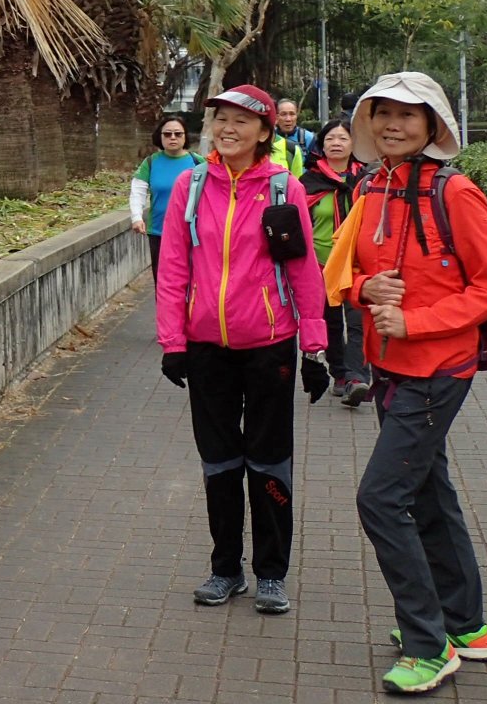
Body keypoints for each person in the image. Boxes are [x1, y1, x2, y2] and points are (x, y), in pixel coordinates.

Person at [324, 72, 487, 693]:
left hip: (437, 370)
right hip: (389, 367)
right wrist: (365, 289)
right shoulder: (372, 186)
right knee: (427, 492)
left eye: (408, 113)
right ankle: (467, 627)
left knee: (380, 499)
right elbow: (345, 271)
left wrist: (416, 321)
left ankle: (428, 644)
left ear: (432, 124)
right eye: (382, 113)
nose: (393, 124)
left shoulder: (456, 192)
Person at [156, 85, 328, 616]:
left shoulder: (282, 188)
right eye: (221, 119)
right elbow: (173, 267)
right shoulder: (191, 185)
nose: (227, 129)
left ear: (264, 131)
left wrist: (314, 346)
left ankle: (271, 573)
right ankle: (225, 568)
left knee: (269, 462)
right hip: (206, 347)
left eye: (241, 121)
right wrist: (173, 341)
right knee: (220, 461)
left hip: (270, 347)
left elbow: (302, 267)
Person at [300, 117, 369, 405]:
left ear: (354, 144)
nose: (336, 143)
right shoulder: (308, 182)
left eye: (343, 138)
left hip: (357, 264)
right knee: (330, 325)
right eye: (330, 139)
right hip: (321, 265)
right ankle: (339, 374)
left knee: (358, 323)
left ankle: (356, 378)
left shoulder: (368, 180)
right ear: (321, 145)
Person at [128, 116, 202, 283]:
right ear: (160, 137)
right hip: (159, 232)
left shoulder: (199, 162)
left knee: (194, 281)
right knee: (164, 282)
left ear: (185, 136)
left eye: (178, 134)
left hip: (193, 233)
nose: (173, 137)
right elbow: (137, 191)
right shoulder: (150, 163)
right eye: (167, 134)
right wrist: (136, 217)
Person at [276, 98, 316, 168]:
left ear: (296, 116)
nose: (288, 119)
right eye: (283, 114)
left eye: (292, 114)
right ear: (276, 117)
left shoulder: (308, 138)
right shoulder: (269, 138)